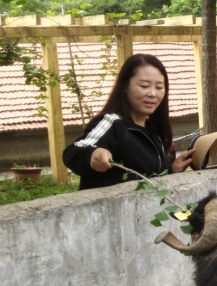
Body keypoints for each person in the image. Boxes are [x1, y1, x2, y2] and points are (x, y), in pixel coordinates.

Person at [63, 53, 193, 189]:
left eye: (159, 87)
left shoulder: (153, 131)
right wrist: (93, 154)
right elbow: (74, 151)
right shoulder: (112, 122)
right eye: (144, 86)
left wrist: (171, 170)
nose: (153, 93)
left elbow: (148, 179)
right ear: (125, 86)